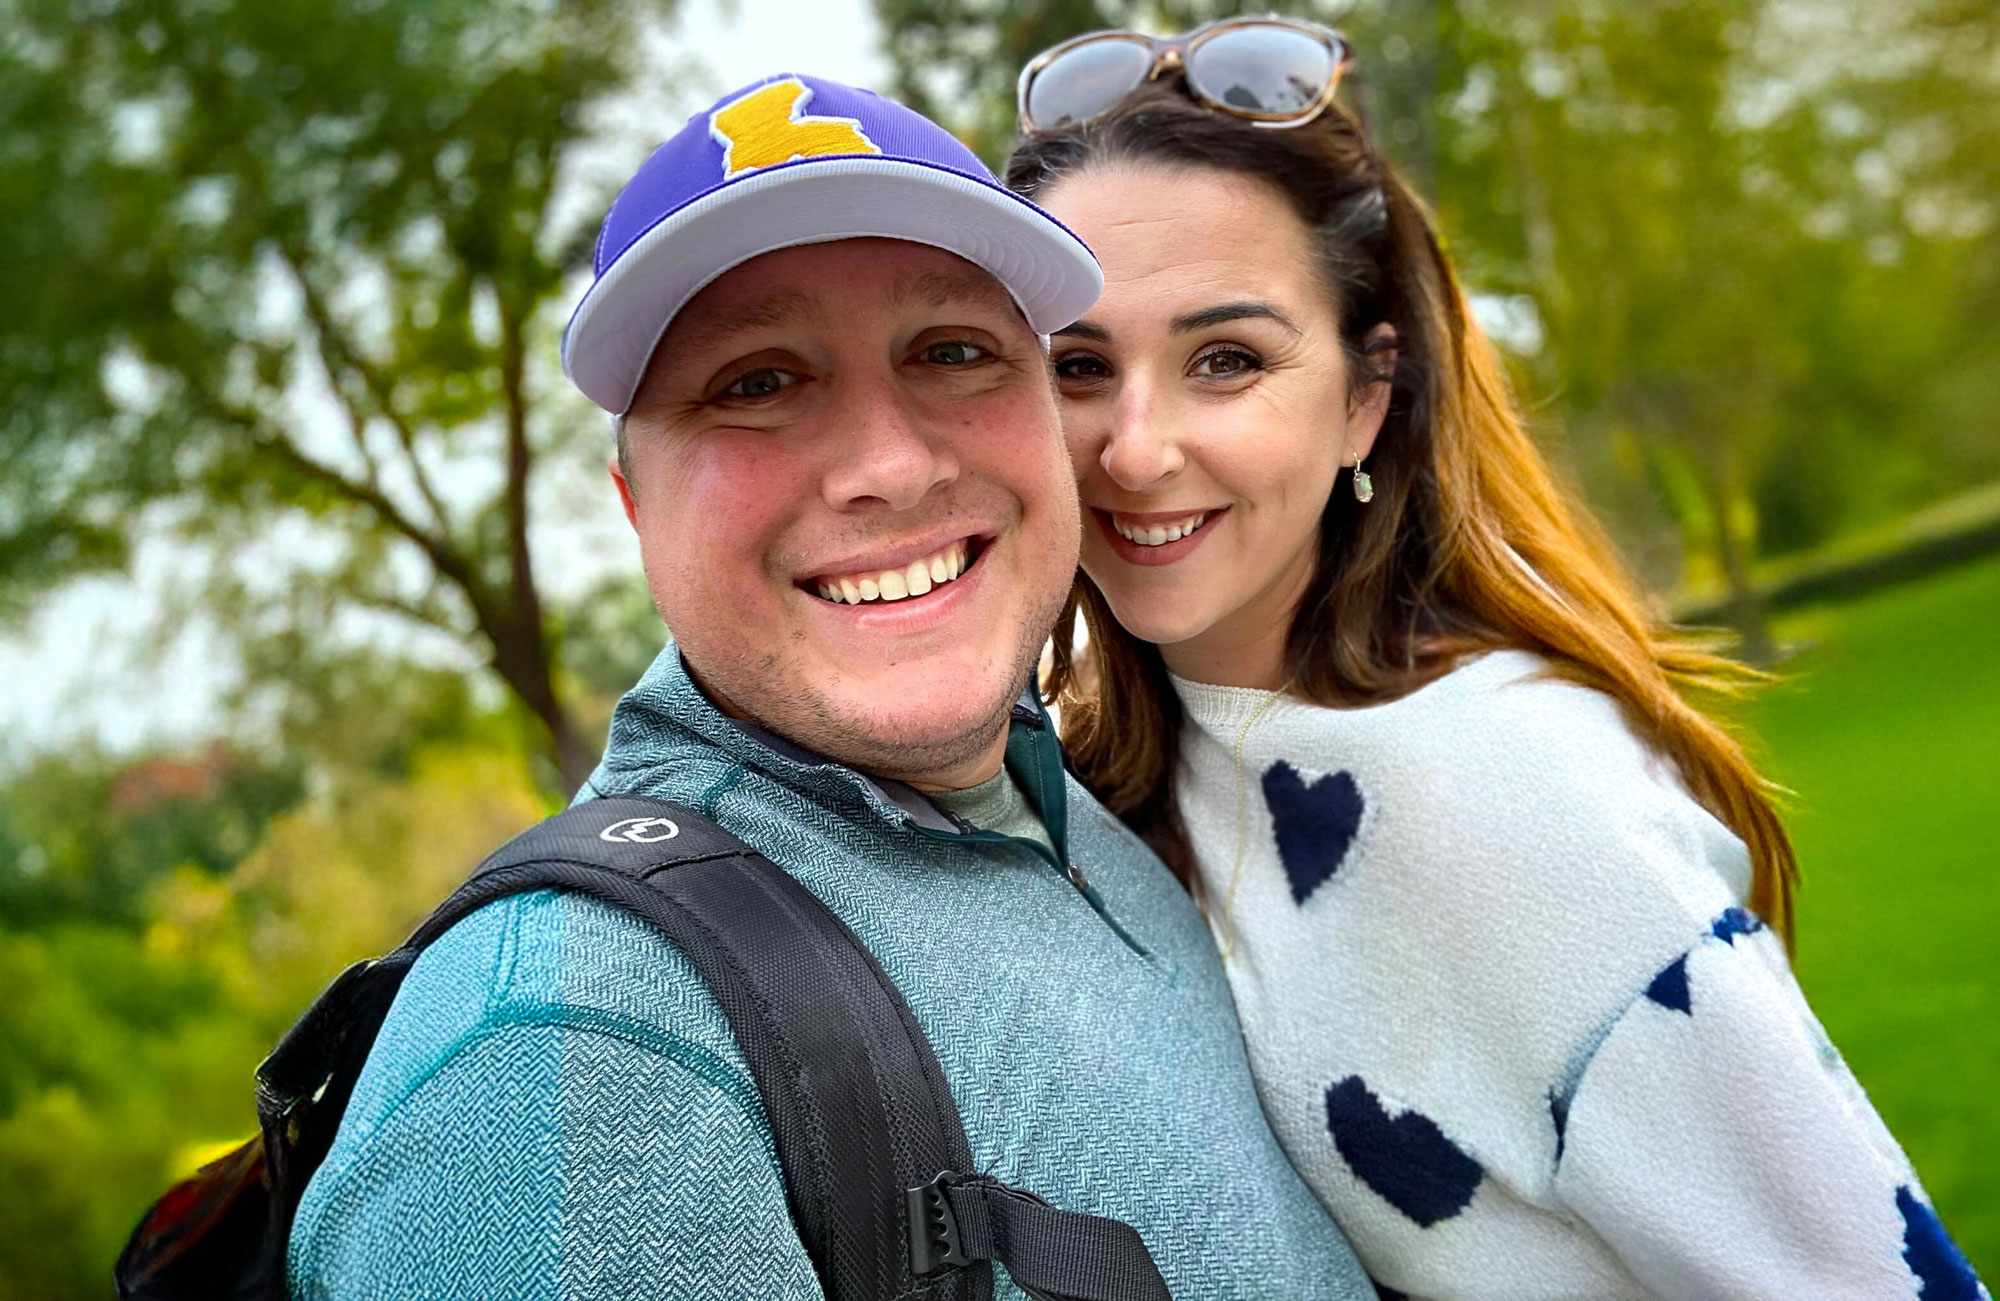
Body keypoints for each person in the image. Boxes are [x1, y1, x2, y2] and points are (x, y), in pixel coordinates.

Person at [284, 73, 1376, 1299]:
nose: (890, 465)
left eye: (953, 351)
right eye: (756, 382)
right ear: (637, 509)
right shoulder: (576, 1049)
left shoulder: (1081, 812)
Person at [1005, 19, 1990, 1301]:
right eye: (1079, 368)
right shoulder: (1142, 765)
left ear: (1366, 394)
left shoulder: (1511, 785)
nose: (1133, 449)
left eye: (1226, 360)